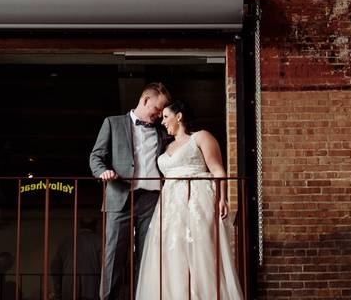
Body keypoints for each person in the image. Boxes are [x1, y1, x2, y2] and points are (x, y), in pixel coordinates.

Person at [134, 100, 244, 300]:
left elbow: (218, 170)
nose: (163, 122)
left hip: (197, 198)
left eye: (166, 117)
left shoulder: (201, 137)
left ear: (179, 116)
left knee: (201, 252)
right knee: (171, 254)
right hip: (169, 205)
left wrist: (222, 199)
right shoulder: (167, 145)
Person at [89, 83, 172, 300]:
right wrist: (103, 172)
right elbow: (95, 157)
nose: (160, 114)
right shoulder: (112, 123)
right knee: (113, 255)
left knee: (146, 259)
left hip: (152, 200)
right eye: (158, 108)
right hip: (120, 197)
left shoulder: (163, 130)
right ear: (145, 100)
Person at [50, 215, 103, 300]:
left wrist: (58, 290)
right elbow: (106, 267)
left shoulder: (66, 241)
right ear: (95, 226)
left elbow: (55, 267)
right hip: (92, 290)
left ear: (80, 225)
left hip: (69, 289)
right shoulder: (99, 242)